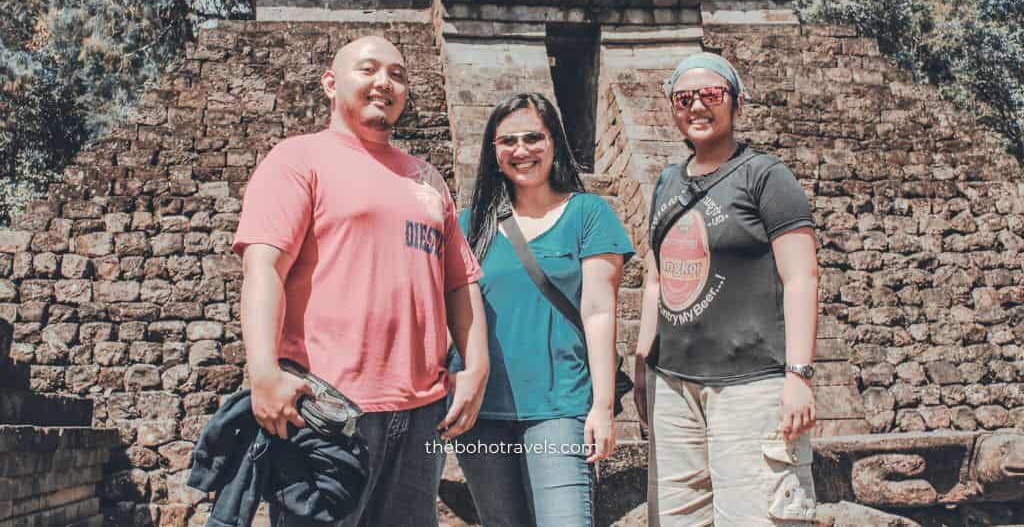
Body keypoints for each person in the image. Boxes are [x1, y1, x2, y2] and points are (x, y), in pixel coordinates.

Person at [231, 35, 490, 527]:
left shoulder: (426, 179)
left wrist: (476, 368)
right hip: (327, 408)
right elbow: (264, 267)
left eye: (397, 74)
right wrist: (262, 370)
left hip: (421, 414)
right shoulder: (298, 159)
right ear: (331, 84)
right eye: (368, 69)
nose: (384, 83)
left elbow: (460, 283)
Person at [633, 52, 819, 526]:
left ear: (736, 103)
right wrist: (642, 364)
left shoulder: (766, 176)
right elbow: (657, 278)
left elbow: (801, 278)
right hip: (673, 384)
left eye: (711, 94)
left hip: (751, 383)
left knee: (757, 516)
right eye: (684, 97)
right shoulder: (666, 182)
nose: (697, 105)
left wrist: (798, 375)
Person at [449, 92, 634, 527]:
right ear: (494, 153)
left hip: (558, 407)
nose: (521, 150)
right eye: (507, 141)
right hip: (481, 413)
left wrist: (603, 407)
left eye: (534, 137)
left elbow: (598, 312)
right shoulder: (468, 224)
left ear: (554, 143)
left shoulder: (588, 213)